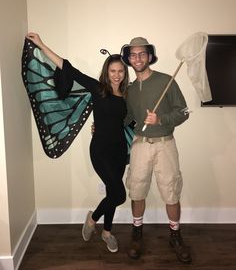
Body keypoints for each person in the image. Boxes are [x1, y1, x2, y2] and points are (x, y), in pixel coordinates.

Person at [26, 33, 129, 253]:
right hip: (100, 150)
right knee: (119, 195)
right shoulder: (97, 89)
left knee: (113, 191)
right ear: (106, 72)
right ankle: (92, 220)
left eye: (120, 71)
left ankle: (107, 232)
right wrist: (41, 44)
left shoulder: (127, 95)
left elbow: (127, 122)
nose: (117, 75)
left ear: (124, 72)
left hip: (120, 150)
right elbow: (68, 68)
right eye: (113, 71)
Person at [121, 37, 192, 263]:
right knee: (137, 190)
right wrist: (107, 125)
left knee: (171, 191)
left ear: (150, 56)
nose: (137, 58)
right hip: (140, 144)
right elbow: (130, 119)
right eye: (133, 54)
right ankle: (137, 234)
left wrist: (160, 119)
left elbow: (183, 112)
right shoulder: (130, 89)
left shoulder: (166, 81)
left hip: (165, 144)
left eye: (142, 54)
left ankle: (175, 236)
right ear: (128, 59)